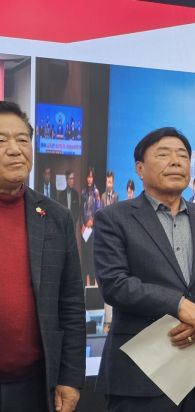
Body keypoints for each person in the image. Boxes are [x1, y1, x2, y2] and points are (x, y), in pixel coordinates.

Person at [94, 127, 195, 411]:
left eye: (182, 156)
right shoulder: (114, 218)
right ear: (140, 168)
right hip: (141, 376)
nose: (176, 161)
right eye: (163, 154)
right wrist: (179, 305)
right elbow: (115, 283)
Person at [0, 101, 85, 412]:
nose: (15, 150)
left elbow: (71, 303)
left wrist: (71, 378)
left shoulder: (55, 217)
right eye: (1, 140)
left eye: (23, 139)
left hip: (34, 385)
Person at [81, 167, 101, 286]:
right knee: (85, 255)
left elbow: (98, 210)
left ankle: (93, 285)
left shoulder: (96, 192)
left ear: (93, 178)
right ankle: (84, 284)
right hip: (84, 229)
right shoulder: (83, 192)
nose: (89, 179)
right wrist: (82, 225)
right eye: (88, 177)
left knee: (92, 255)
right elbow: (80, 210)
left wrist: (91, 221)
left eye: (91, 177)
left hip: (92, 229)